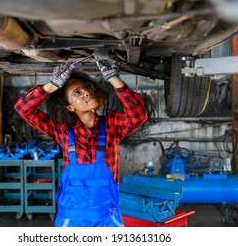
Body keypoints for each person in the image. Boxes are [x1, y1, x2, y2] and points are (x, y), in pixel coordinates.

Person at [14, 57, 147, 227]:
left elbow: (139, 115)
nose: (86, 93)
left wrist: (114, 78)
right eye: (77, 93)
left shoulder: (112, 125)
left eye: (87, 88)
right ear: (70, 107)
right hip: (71, 221)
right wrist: (53, 84)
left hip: (107, 219)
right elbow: (22, 108)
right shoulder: (62, 130)